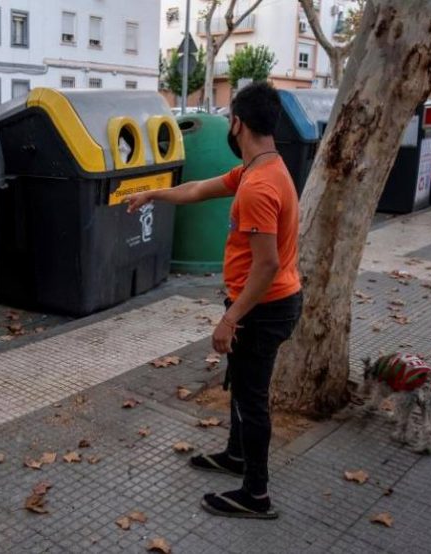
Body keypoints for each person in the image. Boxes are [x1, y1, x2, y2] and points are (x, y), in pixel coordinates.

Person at [126, 82, 302, 519]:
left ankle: (256, 496)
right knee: (242, 387)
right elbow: (200, 189)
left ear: (238, 122)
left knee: (251, 397)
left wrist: (231, 319)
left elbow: (266, 265)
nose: (228, 125)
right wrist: (153, 193)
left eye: (229, 119)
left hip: (263, 308)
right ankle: (236, 455)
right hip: (269, 303)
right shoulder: (262, 170)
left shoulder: (259, 186)